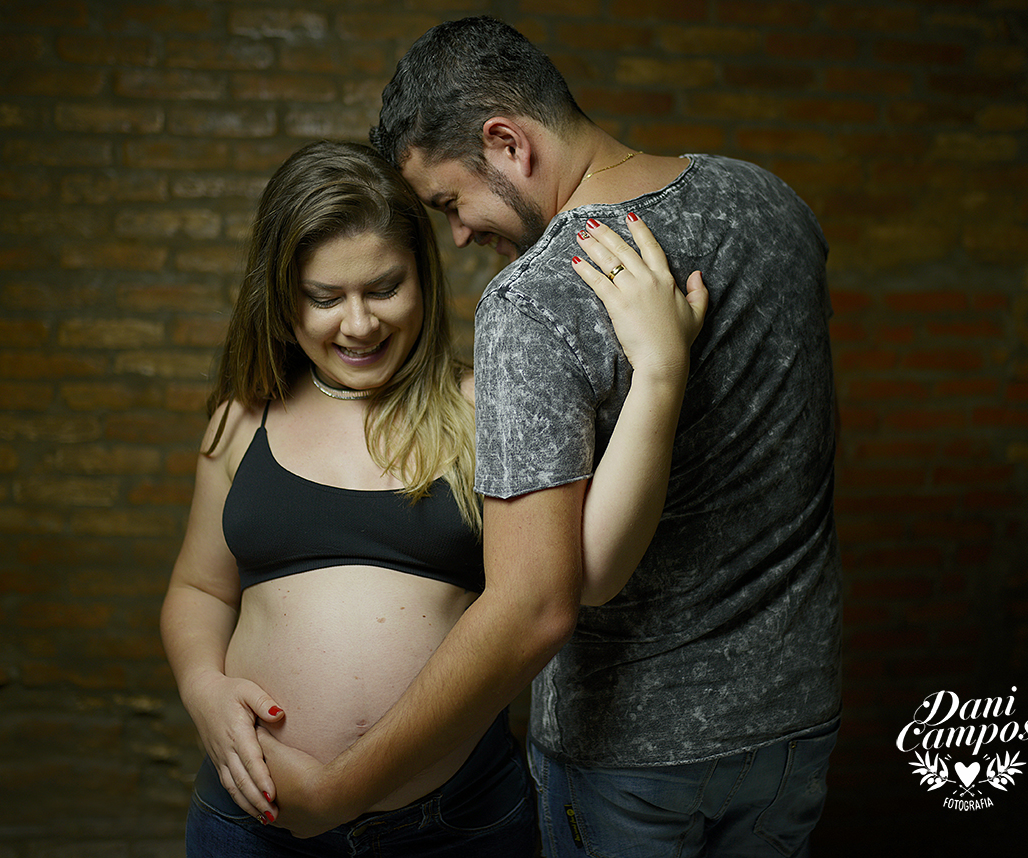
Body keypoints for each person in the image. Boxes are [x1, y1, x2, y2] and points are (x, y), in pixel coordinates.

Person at [253, 16, 843, 856]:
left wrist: (344, 791)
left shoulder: (532, 301)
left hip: (633, 752)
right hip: (797, 723)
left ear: (507, 143)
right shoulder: (774, 205)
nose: (458, 235)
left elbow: (546, 595)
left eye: (452, 201)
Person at [160, 140, 706, 856]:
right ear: (281, 298)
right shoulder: (243, 419)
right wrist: (203, 688)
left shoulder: (488, 405)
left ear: (423, 273)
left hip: (451, 826)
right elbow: (198, 589)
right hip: (253, 817)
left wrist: (661, 373)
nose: (359, 324)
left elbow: (596, 567)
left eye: (383, 287)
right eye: (325, 298)